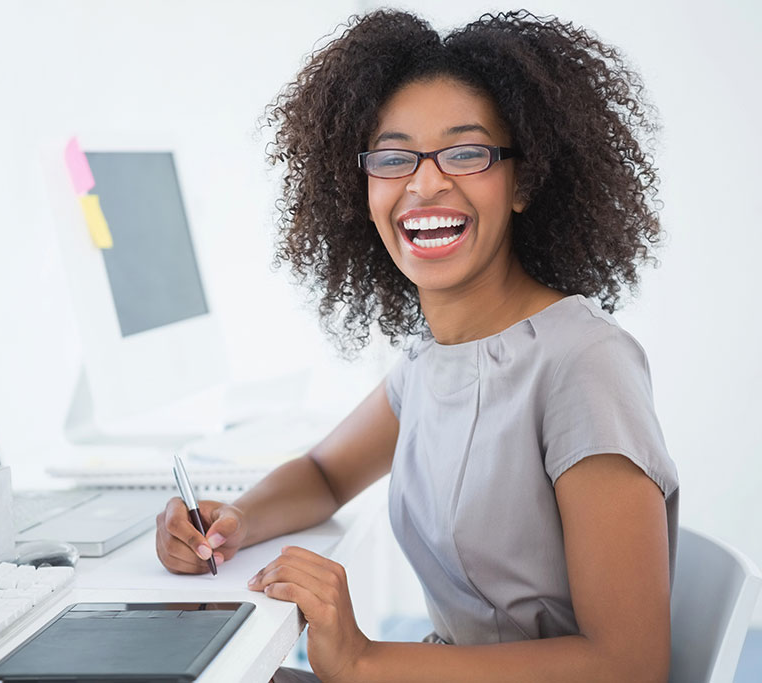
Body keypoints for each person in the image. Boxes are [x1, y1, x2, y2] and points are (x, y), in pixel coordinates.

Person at [155, 9, 679, 683]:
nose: (425, 184)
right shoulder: (433, 362)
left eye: (466, 152)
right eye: (395, 157)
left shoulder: (582, 364)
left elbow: (631, 665)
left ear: (522, 180)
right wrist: (230, 522)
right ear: (364, 186)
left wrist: (366, 658)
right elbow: (324, 473)